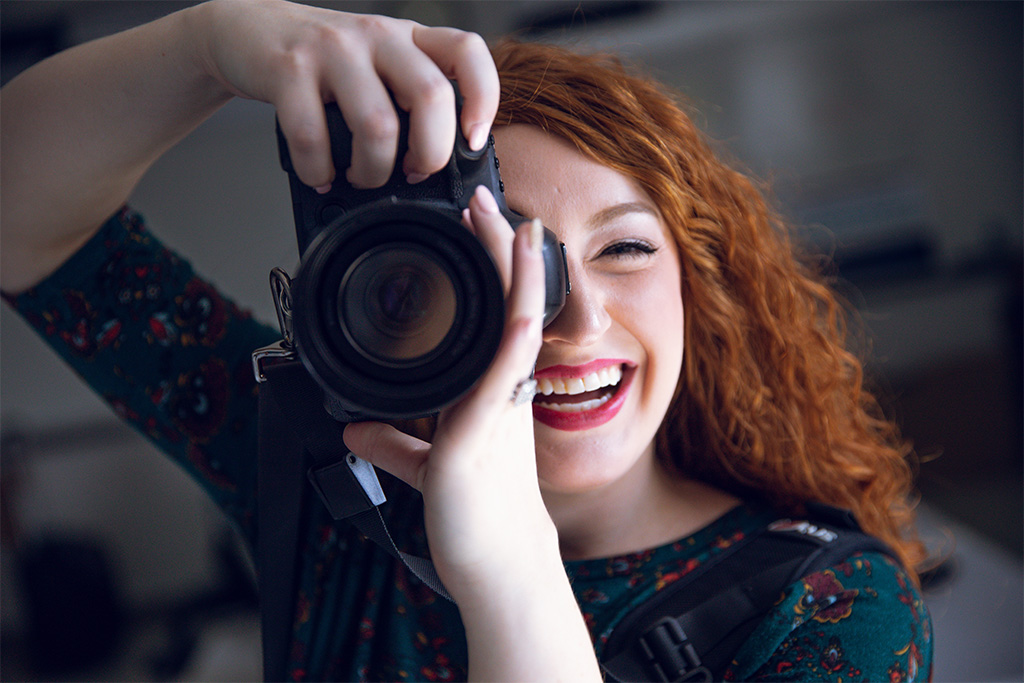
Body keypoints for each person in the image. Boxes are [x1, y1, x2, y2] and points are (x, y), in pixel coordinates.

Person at [1, 0, 933, 680]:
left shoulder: (826, 612)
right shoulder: (335, 488)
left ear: (702, 282)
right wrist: (205, 43)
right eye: (500, 265)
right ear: (393, 310)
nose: (573, 323)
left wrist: (507, 571)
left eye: (627, 247)